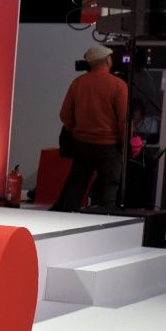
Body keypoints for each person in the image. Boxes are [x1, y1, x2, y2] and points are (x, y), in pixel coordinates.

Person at [54, 44, 128, 212]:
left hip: (82, 144)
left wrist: (76, 129)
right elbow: (123, 120)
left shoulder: (78, 83)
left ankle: (68, 219)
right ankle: (104, 218)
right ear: (108, 61)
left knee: (77, 184)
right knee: (109, 185)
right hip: (109, 146)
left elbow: (65, 115)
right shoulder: (118, 85)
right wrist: (124, 145)